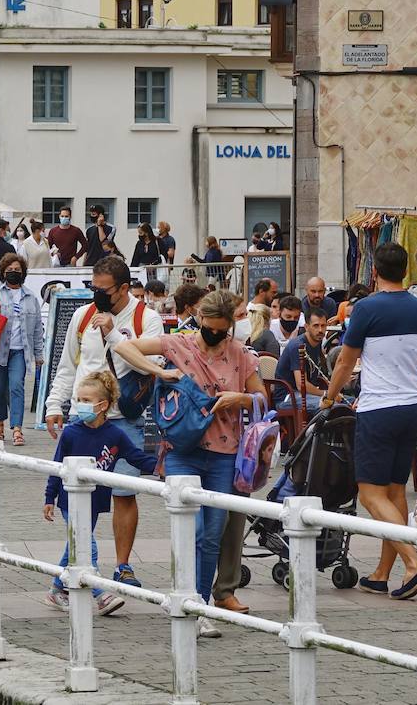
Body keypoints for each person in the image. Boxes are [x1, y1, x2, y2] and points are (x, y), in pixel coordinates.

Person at [113, 289, 267, 636]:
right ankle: (183, 592)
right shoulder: (178, 344)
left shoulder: (241, 355)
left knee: (213, 534)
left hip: (225, 453)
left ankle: (199, 603)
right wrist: (160, 372)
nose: (212, 335)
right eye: (206, 327)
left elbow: (262, 397)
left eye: (219, 329)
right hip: (182, 448)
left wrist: (240, 398)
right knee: (191, 527)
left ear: (229, 326)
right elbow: (125, 347)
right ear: (198, 320)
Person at [44, 256, 165, 588]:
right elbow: (68, 365)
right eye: (92, 287)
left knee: (124, 494)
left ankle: (122, 566)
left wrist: (113, 335)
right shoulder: (83, 317)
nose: (95, 295)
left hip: (125, 419)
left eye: (102, 290)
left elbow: (150, 366)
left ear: (124, 288)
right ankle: (73, 575)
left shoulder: (147, 318)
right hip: (84, 419)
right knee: (80, 498)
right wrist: (55, 403)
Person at [321, 241, 417, 600]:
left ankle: (413, 564)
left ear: (374, 271)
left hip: (380, 407)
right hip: (414, 406)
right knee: (395, 491)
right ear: (407, 271)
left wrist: (329, 397)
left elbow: (344, 361)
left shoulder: (366, 308)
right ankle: (383, 573)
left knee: (370, 494)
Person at [42, 370, 157, 615]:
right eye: (78, 400)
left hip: (96, 500)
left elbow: (135, 457)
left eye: (86, 401)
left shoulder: (114, 434)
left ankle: (55, 589)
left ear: (103, 405)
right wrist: (49, 497)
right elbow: (57, 465)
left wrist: (160, 468)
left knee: (74, 546)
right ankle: (100, 594)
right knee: (86, 546)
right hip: (69, 499)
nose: (80, 405)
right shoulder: (71, 433)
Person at [0, 253, 44, 447]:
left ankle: (17, 428)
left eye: (17, 270)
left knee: (16, 387)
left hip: (20, 350)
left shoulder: (30, 297)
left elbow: (38, 328)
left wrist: (39, 354)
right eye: (10, 270)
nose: (13, 273)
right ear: (3, 272)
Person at [273, 306, 332, 407]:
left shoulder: (317, 342)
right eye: (316, 326)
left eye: (323, 325)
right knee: (331, 404)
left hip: (308, 395)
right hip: (288, 397)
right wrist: (327, 394)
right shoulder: (298, 346)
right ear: (306, 327)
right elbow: (301, 385)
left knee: (351, 401)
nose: (320, 330)